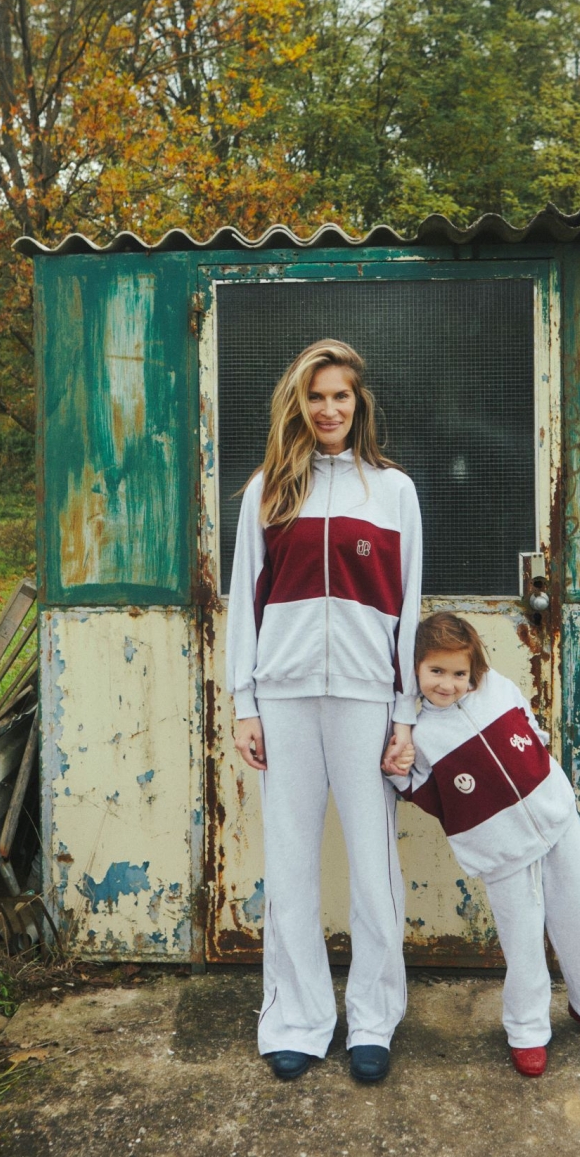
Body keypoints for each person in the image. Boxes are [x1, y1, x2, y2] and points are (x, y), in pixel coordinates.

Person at [226, 339, 422, 1084]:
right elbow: (244, 599)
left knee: (374, 867)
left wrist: (404, 714)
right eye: (316, 396)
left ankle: (373, 1018)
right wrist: (245, 702)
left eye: (341, 396)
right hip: (284, 695)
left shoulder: (393, 491)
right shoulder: (268, 493)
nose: (330, 409)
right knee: (292, 864)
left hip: (368, 698)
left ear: (358, 404)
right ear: (298, 405)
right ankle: (297, 1021)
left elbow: (408, 607)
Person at [390, 612, 580, 1076]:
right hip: (498, 847)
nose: (448, 684)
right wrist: (398, 767)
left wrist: (539, 773)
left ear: (474, 668)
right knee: (521, 937)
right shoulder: (420, 734)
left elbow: (530, 727)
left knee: (579, 914)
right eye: (435, 672)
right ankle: (526, 1030)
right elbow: (418, 792)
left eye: (459, 673)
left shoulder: (497, 688)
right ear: (415, 671)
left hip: (555, 819)